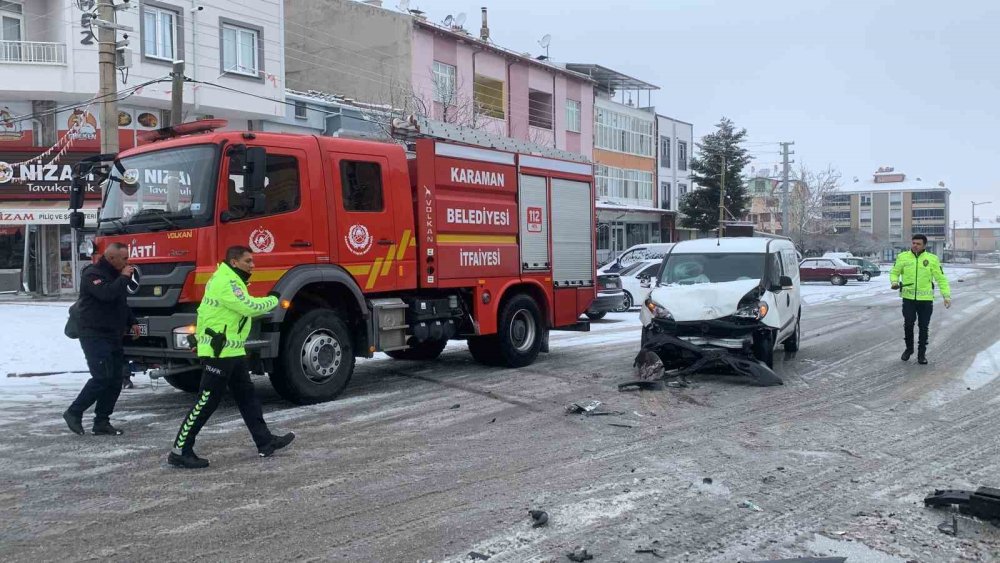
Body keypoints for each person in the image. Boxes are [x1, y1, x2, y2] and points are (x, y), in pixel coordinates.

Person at [167, 246, 294, 469]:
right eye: (248, 261)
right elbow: (249, 307)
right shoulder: (226, 281)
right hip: (220, 352)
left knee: (247, 397)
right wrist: (273, 300)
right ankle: (180, 449)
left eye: (252, 261)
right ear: (234, 262)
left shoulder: (231, 279)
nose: (253, 265)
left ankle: (265, 441)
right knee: (207, 401)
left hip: (231, 350)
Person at [63, 243, 140, 436]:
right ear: (112, 258)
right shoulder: (93, 273)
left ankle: (102, 421)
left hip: (113, 333)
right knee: (102, 377)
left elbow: (121, 302)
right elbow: (107, 294)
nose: (127, 262)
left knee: (115, 379)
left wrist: (132, 322)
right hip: (94, 333)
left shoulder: (116, 275)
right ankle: (74, 412)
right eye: (124, 258)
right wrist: (123, 278)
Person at [890, 234, 951, 364]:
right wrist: (894, 281)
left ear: (924, 245)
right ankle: (909, 349)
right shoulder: (903, 257)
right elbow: (895, 272)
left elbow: (941, 279)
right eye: (913, 243)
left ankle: (921, 354)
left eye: (918, 244)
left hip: (925, 300)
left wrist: (946, 296)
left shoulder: (932, 259)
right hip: (908, 298)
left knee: (923, 327)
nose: (915, 246)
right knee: (908, 324)